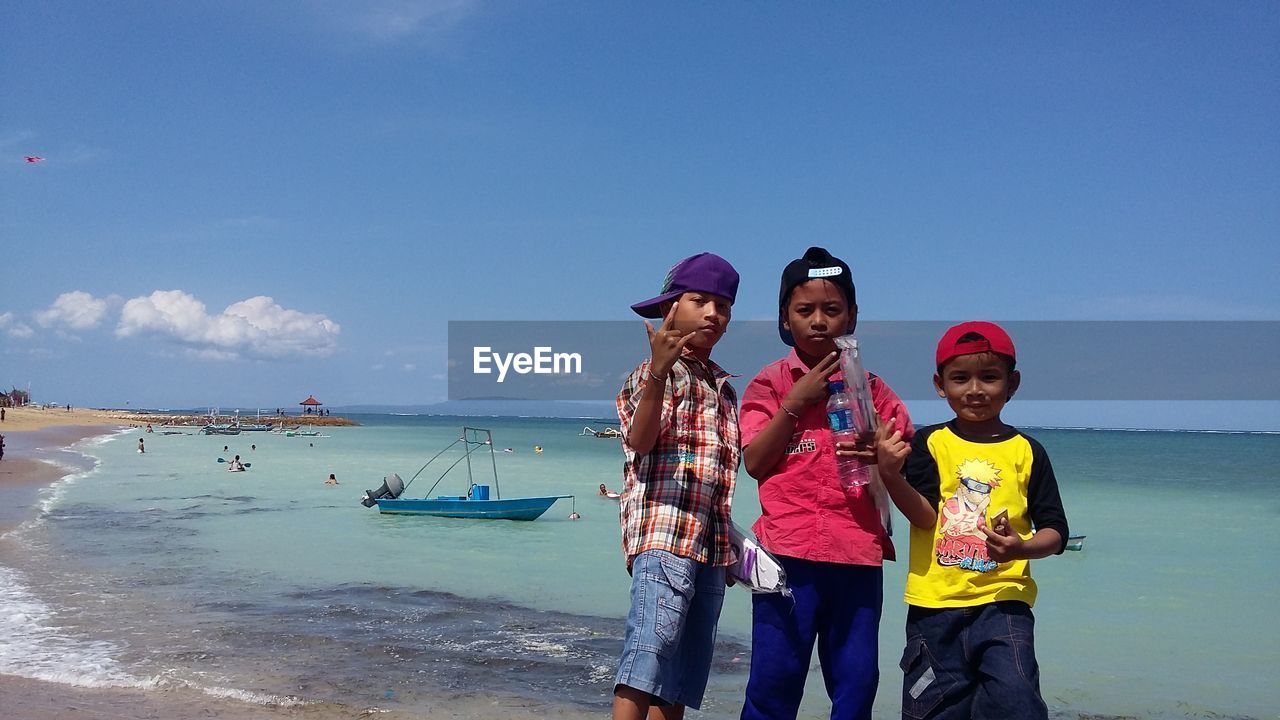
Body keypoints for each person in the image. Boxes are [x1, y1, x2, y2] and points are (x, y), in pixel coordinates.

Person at [738, 247, 914, 720]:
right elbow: (755, 461)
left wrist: (884, 454)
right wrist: (794, 403)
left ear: (852, 316)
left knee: (855, 686)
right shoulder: (770, 384)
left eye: (832, 310)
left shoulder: (873, 391)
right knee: (772, 685)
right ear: (784, 318)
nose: (819, 321)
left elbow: (903, 461)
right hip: (786, 557)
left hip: (856, 555)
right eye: (805, 310)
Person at [875, 322, 1069, 720]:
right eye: (960, 378)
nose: (975, 389)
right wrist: (891, 475)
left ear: (1012, 383)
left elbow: (1056, 531)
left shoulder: (1028, 451)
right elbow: (925, 516)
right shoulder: (928, 443)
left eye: (990, 377)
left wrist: (1022, 546)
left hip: (1004, 606)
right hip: (934, 608)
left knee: (1017, 704)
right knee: (933, 709)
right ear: (939, 384)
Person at [612, 252, 741, 720]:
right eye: (700, 300)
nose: (713, 313)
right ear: (672, 308)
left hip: (709, 547)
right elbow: (640, 441)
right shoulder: (651, 375)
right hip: (664, 537)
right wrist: (659, 371)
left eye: (723, 306)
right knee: (648, 654)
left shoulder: (723, 388)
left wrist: (731, 547)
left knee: (682, 674)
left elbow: (718, 477)